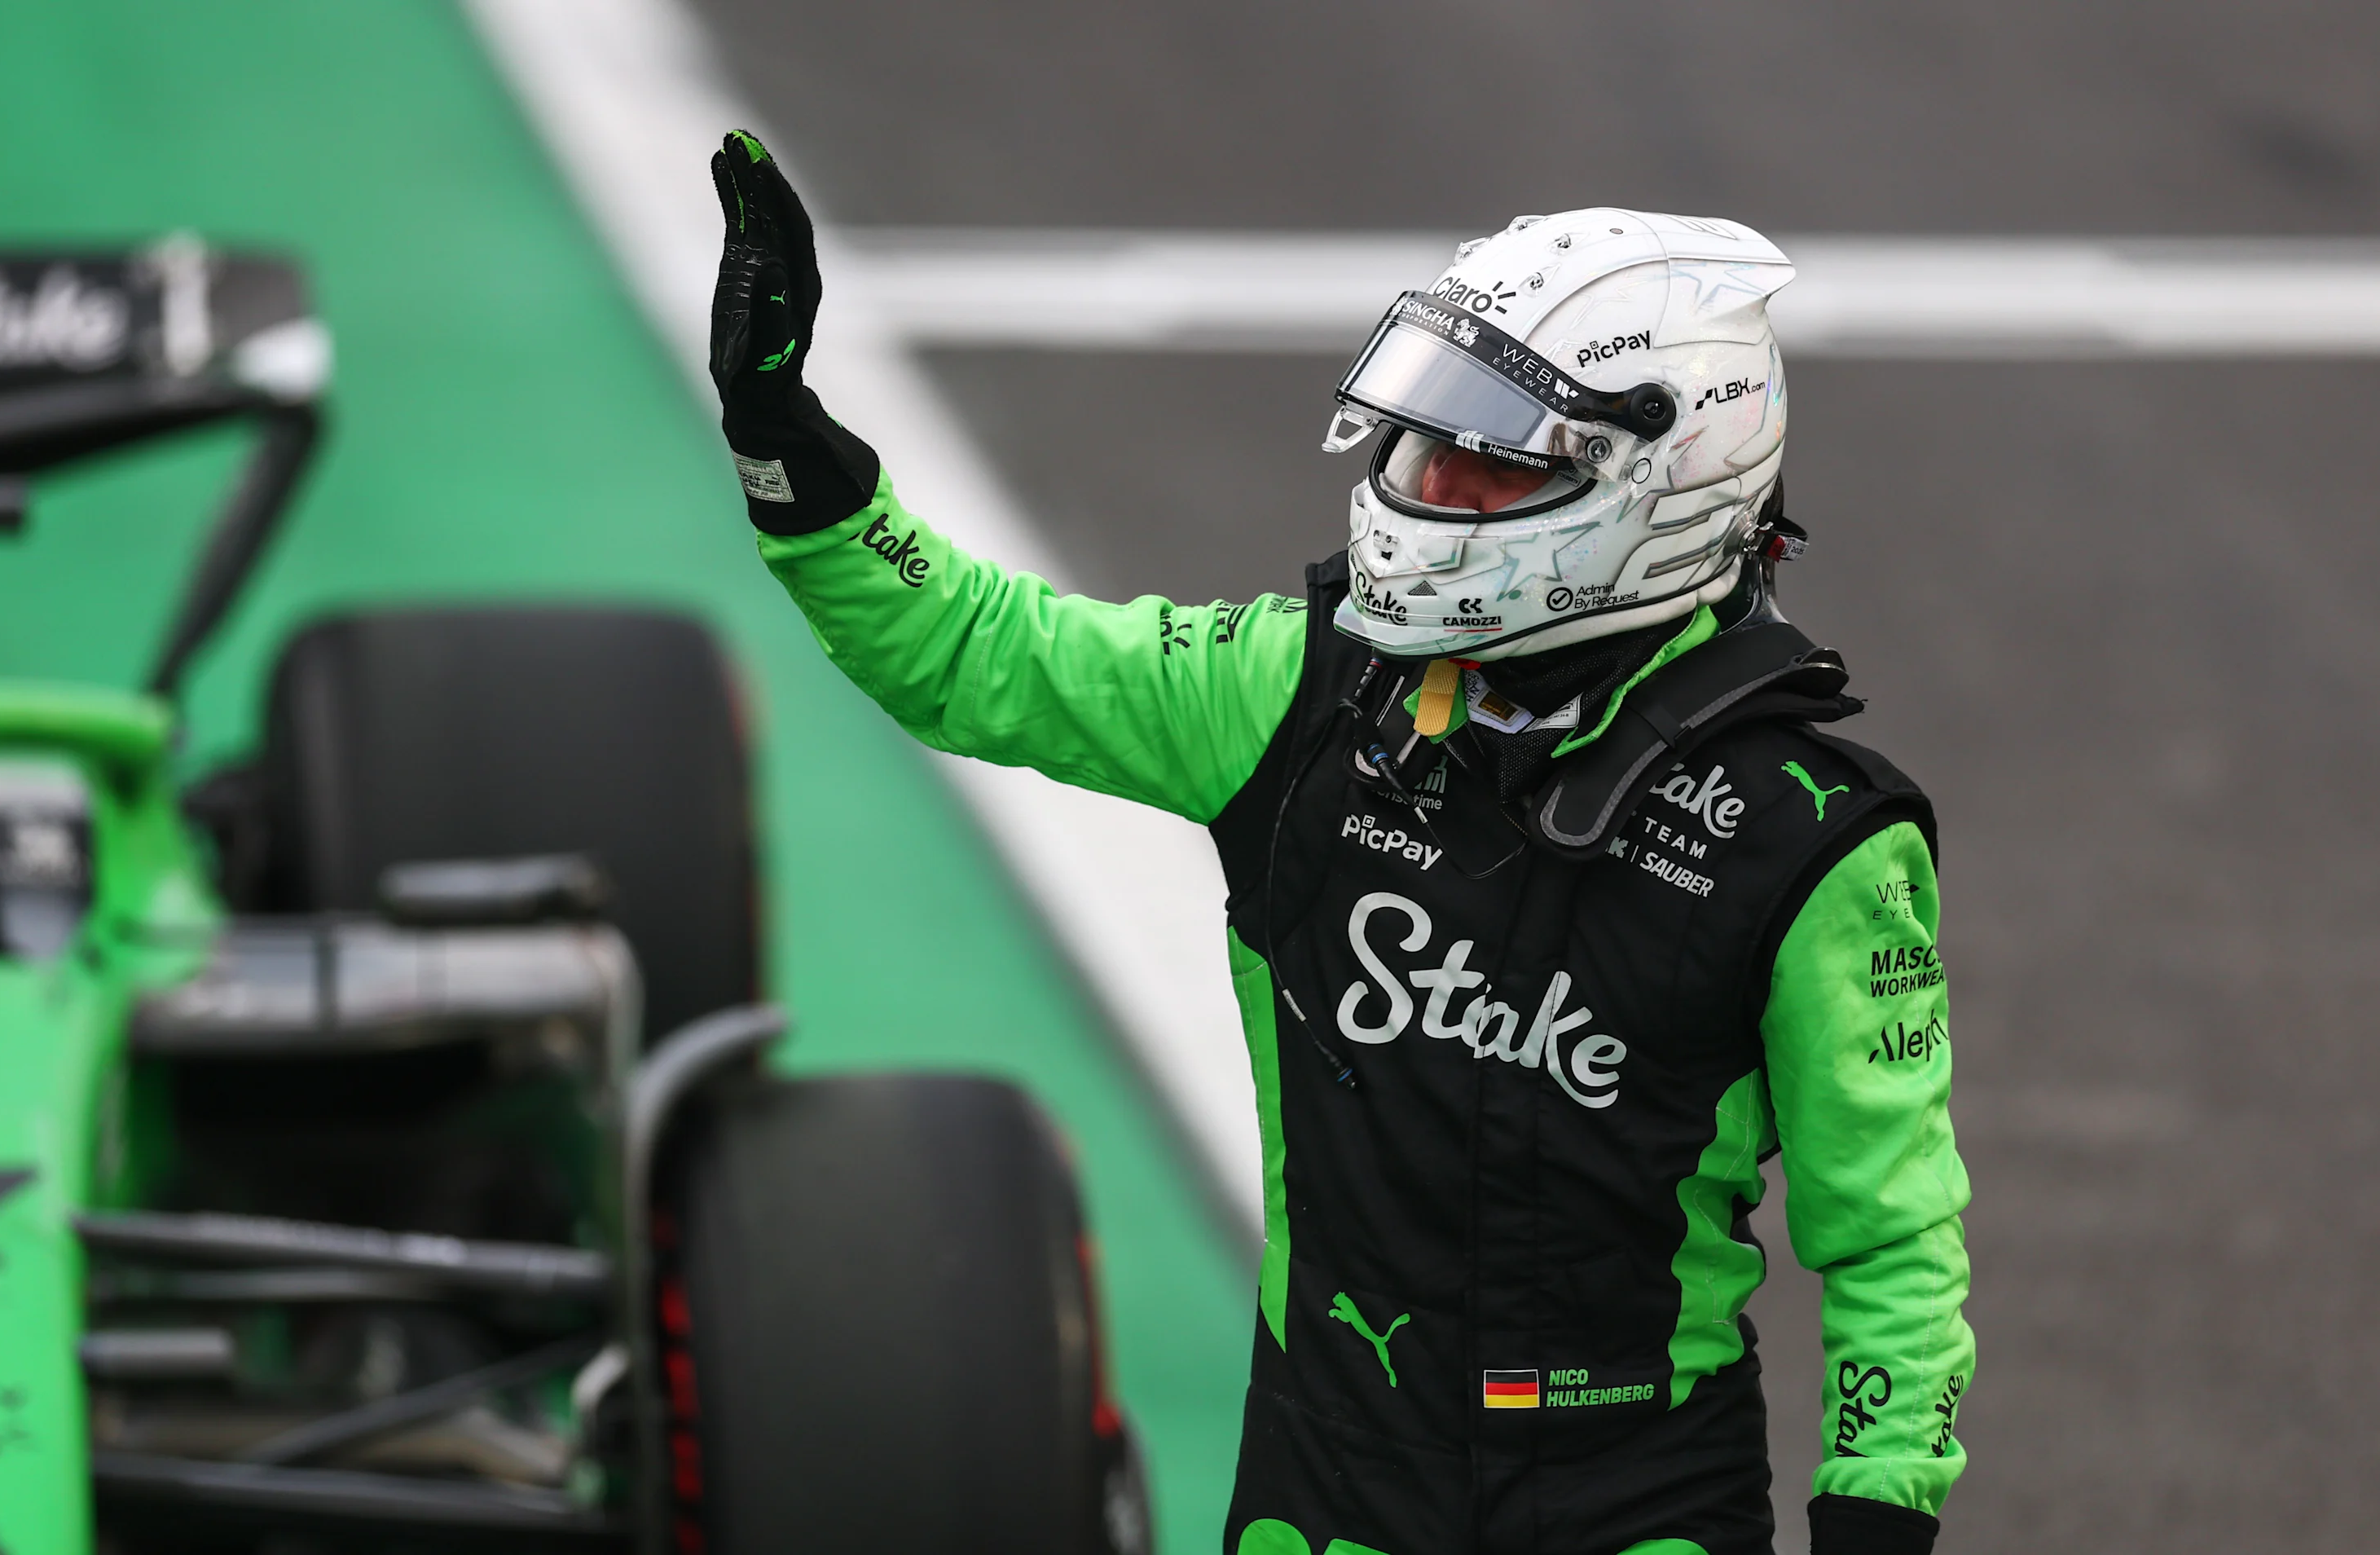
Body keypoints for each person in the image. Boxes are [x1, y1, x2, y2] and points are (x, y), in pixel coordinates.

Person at [705, 131, 1972, 1555]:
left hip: (1638, 1506)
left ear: (1661, 481)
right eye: (1422, 442)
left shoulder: (1821, 842)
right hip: (1328, 1491)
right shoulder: (1291, 692)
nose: (1426, 491)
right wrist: (779, 434)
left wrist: (1880, 1513)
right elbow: (973, 652)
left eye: (1486, 467)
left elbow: (1892, 1241)